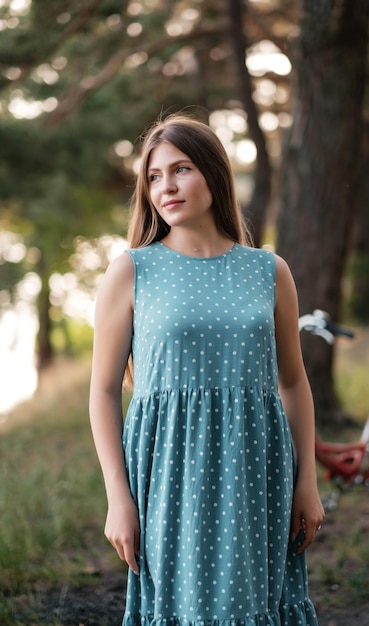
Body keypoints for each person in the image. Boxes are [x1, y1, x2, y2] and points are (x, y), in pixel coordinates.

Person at [89, 113, 325, 626]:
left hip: (256, 468)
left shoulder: (269, 270)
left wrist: (307, 480)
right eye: (154, 176)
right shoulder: (131, 269)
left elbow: (292, 381)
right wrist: (117, 497)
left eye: (182, 169)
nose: (166, 187)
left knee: (254, 606)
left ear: (214, 174)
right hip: (169, 471)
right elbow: (104, 391)